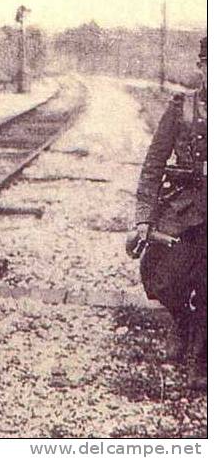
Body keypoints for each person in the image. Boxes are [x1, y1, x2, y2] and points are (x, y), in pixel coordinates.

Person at [127, 36, 207, 389]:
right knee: (163, 279)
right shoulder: (180, 109)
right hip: (184, 208)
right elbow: (152, 166)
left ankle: (202, 356)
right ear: (201, 67)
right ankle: (183, 323)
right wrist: (144, 218)